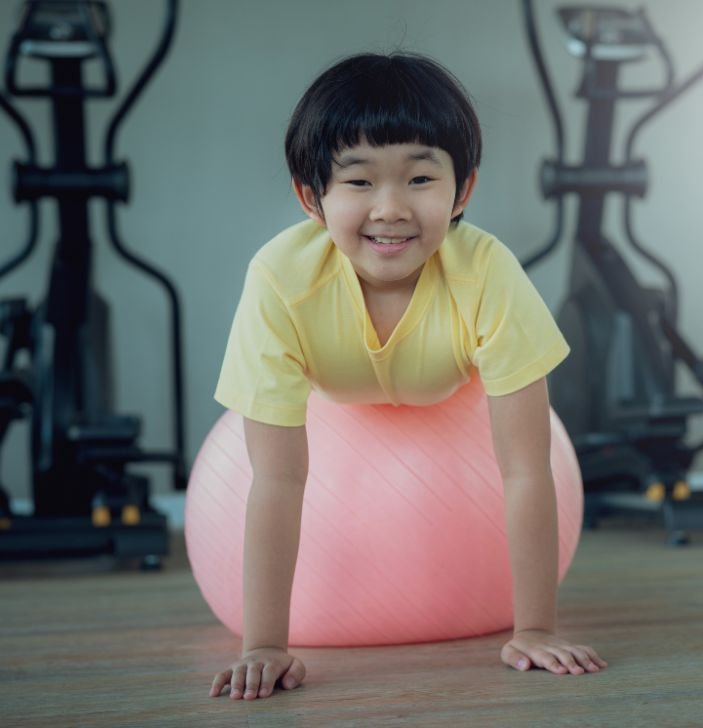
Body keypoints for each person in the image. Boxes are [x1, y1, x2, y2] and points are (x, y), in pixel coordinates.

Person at [208, 52, 607, 701]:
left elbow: (525, 469)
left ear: (462, 191)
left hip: (455, 398)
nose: (390, 208)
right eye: (359, 182)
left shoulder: (487, 273)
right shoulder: (279, 280)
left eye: (420, 178)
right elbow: (277, 480)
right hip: (327, 406)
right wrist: (265, 645)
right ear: (311, 197)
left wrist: (535, 629)